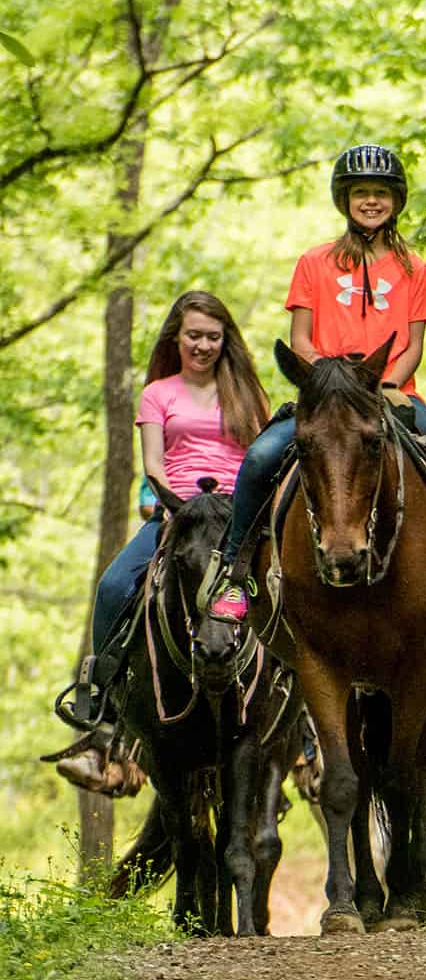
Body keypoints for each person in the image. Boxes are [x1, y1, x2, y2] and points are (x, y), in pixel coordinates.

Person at [201, 144, 426, 638]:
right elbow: (300, 340)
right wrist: (331, 383)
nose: (371, 202)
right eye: (361, 193)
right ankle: (234, 577)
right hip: (324, 396)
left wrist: (383, 385)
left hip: (392, 393)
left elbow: (414, 346)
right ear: (345, 199)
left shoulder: (415, 269)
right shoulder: (313, 263)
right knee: (258, 460)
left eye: (381, 193)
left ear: (396, 201)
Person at [52, 291, 272, 793]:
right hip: (179, 513)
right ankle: (101, 723)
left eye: (213, 337)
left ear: (225, 340)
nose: (203, 345)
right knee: (113, 587)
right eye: (194, 335)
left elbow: (259, 459)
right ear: (177, 335)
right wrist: (172, 503)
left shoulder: (246, 393)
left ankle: (304, 736)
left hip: (237, 517)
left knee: (291, 590)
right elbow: (153, 461)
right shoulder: (159, 393)